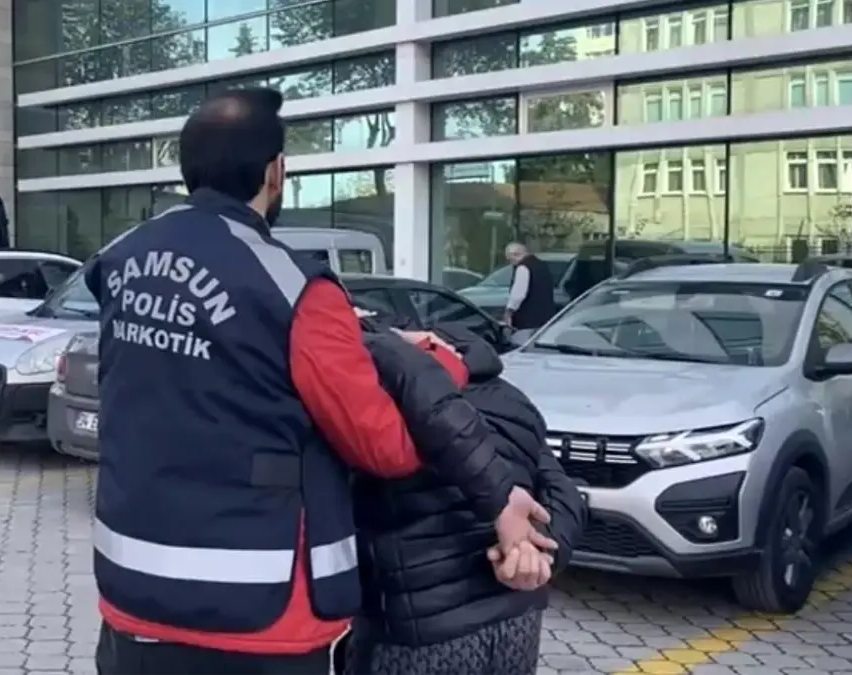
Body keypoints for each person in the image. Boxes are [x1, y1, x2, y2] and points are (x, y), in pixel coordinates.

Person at [82, 87, 557, 675]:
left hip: (132, 593)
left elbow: (211, 365)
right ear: (275, 172)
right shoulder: (293, 285)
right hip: (257, 614)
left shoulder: (121, 260)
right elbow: (383, 446)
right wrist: (441, 363)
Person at [340, 334, 586, 675]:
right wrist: (538, 556)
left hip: (420, 637)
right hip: (518, 624)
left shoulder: (383, 405)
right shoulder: (511, 398)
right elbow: (563, 491)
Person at [502, 242, 557, 330]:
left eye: (509, 258)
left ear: (515, 255)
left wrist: (508, 312)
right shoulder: (542, 265)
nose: (510, 262)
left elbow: (518, 294)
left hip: (527, 319)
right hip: (546, 317)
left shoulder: (523, 267)